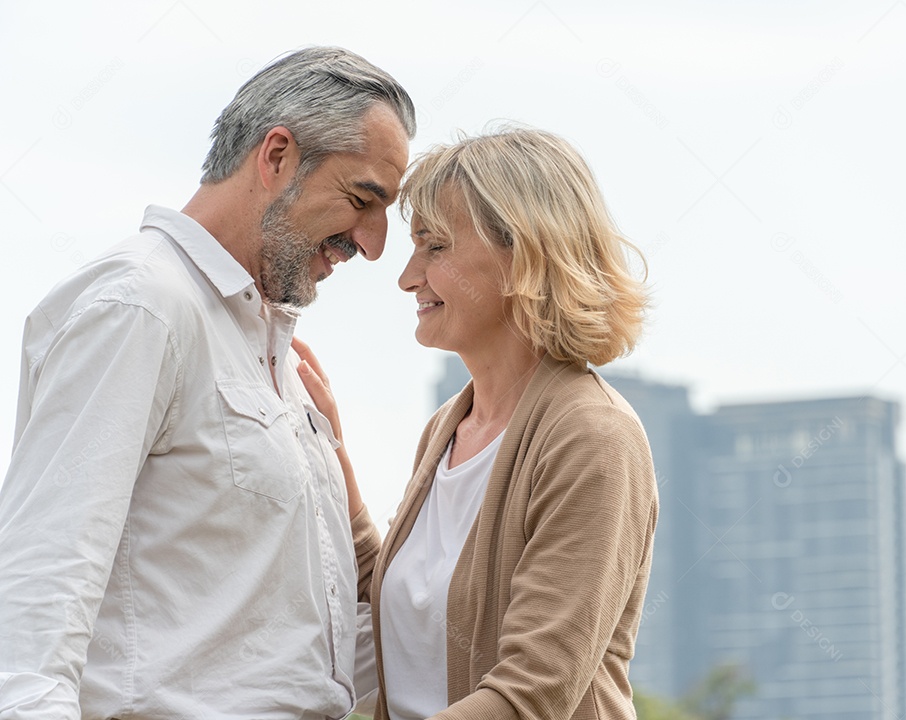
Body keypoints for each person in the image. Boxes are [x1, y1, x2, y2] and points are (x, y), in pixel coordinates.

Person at [0, 47, 414, 719]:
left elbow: (299, 648)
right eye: (363, 201)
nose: (372, 244)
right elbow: (34, 607)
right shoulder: (140, 306)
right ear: (276, 156)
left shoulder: (280, 358)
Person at [304, 128, 658, 720]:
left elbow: (530, 696)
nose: (407, 276)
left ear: (524, 253)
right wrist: (328, 450)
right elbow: (401, 599)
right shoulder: (448, 426)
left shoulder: (593, 437)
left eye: (434, 246)